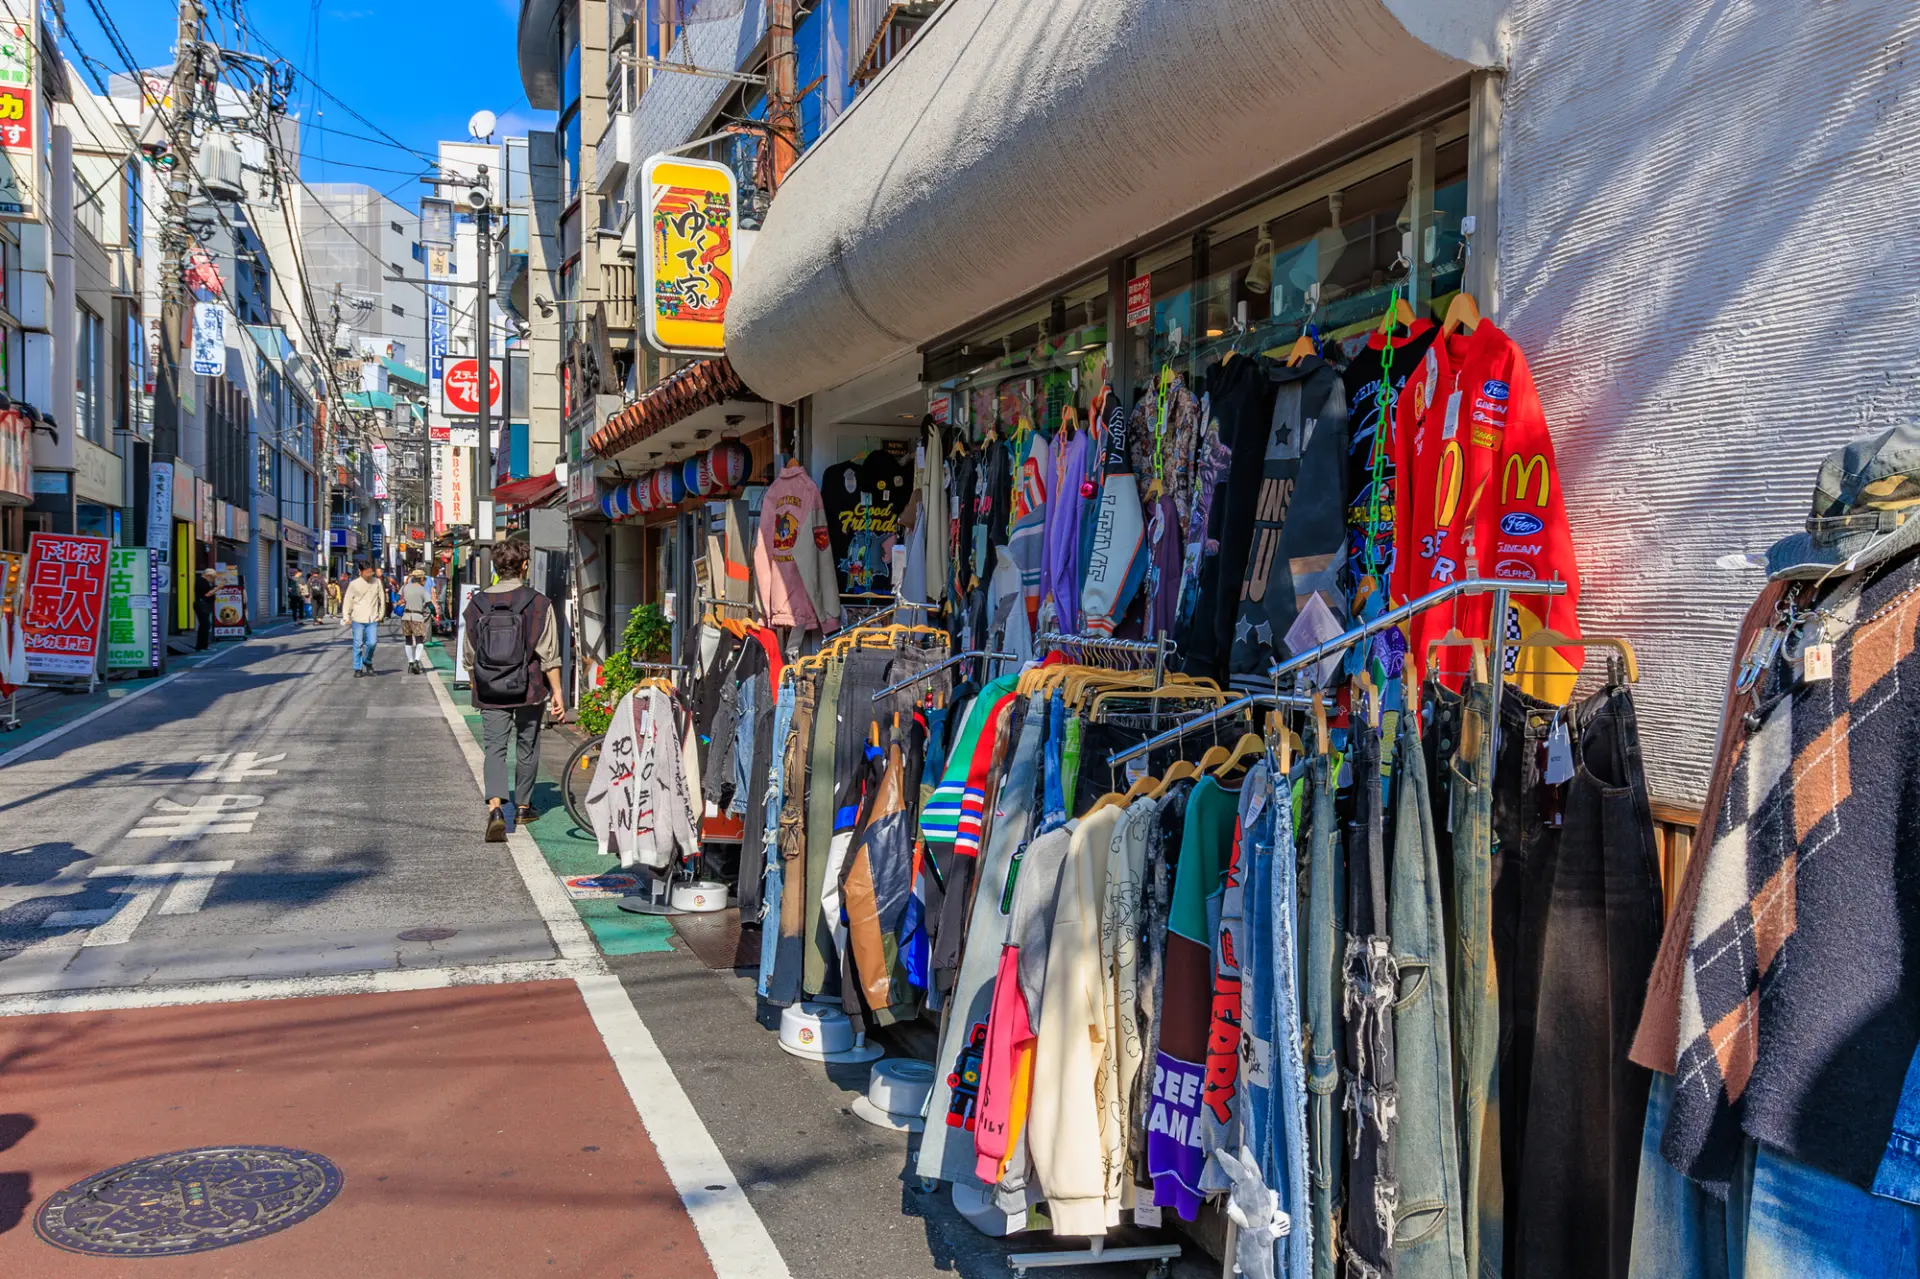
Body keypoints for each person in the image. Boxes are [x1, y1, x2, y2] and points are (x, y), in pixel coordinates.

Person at [462, 539, 564, 841]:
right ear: (524, 566)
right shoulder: (539, 603)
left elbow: (470, 653)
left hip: (490, 688)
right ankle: (522, 806)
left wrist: (474, 678)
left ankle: (495, 808)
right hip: (528, 686)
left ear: (495, 567)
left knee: (494, 748)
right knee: (527, 745)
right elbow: (549, 655)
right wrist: (557, 692)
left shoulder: (476, 604)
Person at [339, 559, 387, 677]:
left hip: (373, 618)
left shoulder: (377, 582)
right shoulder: (354, 584)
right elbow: (348, 601)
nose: (369, 574)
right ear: (360, 571)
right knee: (358, 643)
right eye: (367, 572)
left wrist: (381, 615)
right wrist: (346, 616)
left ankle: (368, 661)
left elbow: (382, 599)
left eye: (371, 572)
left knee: (372, 643)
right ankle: (357, 668)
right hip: (357, 618)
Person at [400, 568, 436, 674]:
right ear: (421, 579)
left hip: (405, 617)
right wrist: (434, 613)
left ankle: (410, 663)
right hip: (417, 617)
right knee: (419, 640)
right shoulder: (422, 590)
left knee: (408, 640)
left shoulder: (405, 588)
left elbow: (398, 597)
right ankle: (416, 661)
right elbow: (430, 604)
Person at [193, 569, 216, 650]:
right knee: (204, 625)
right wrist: (217, 588)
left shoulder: (201, 581)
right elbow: (208, 593)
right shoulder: (202, 581)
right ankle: (201, 646)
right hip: (202, 606)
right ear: (208, 575)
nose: (212, 580)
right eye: (212, 578)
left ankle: (203, 646)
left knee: (205, 625)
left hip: (202, 605)